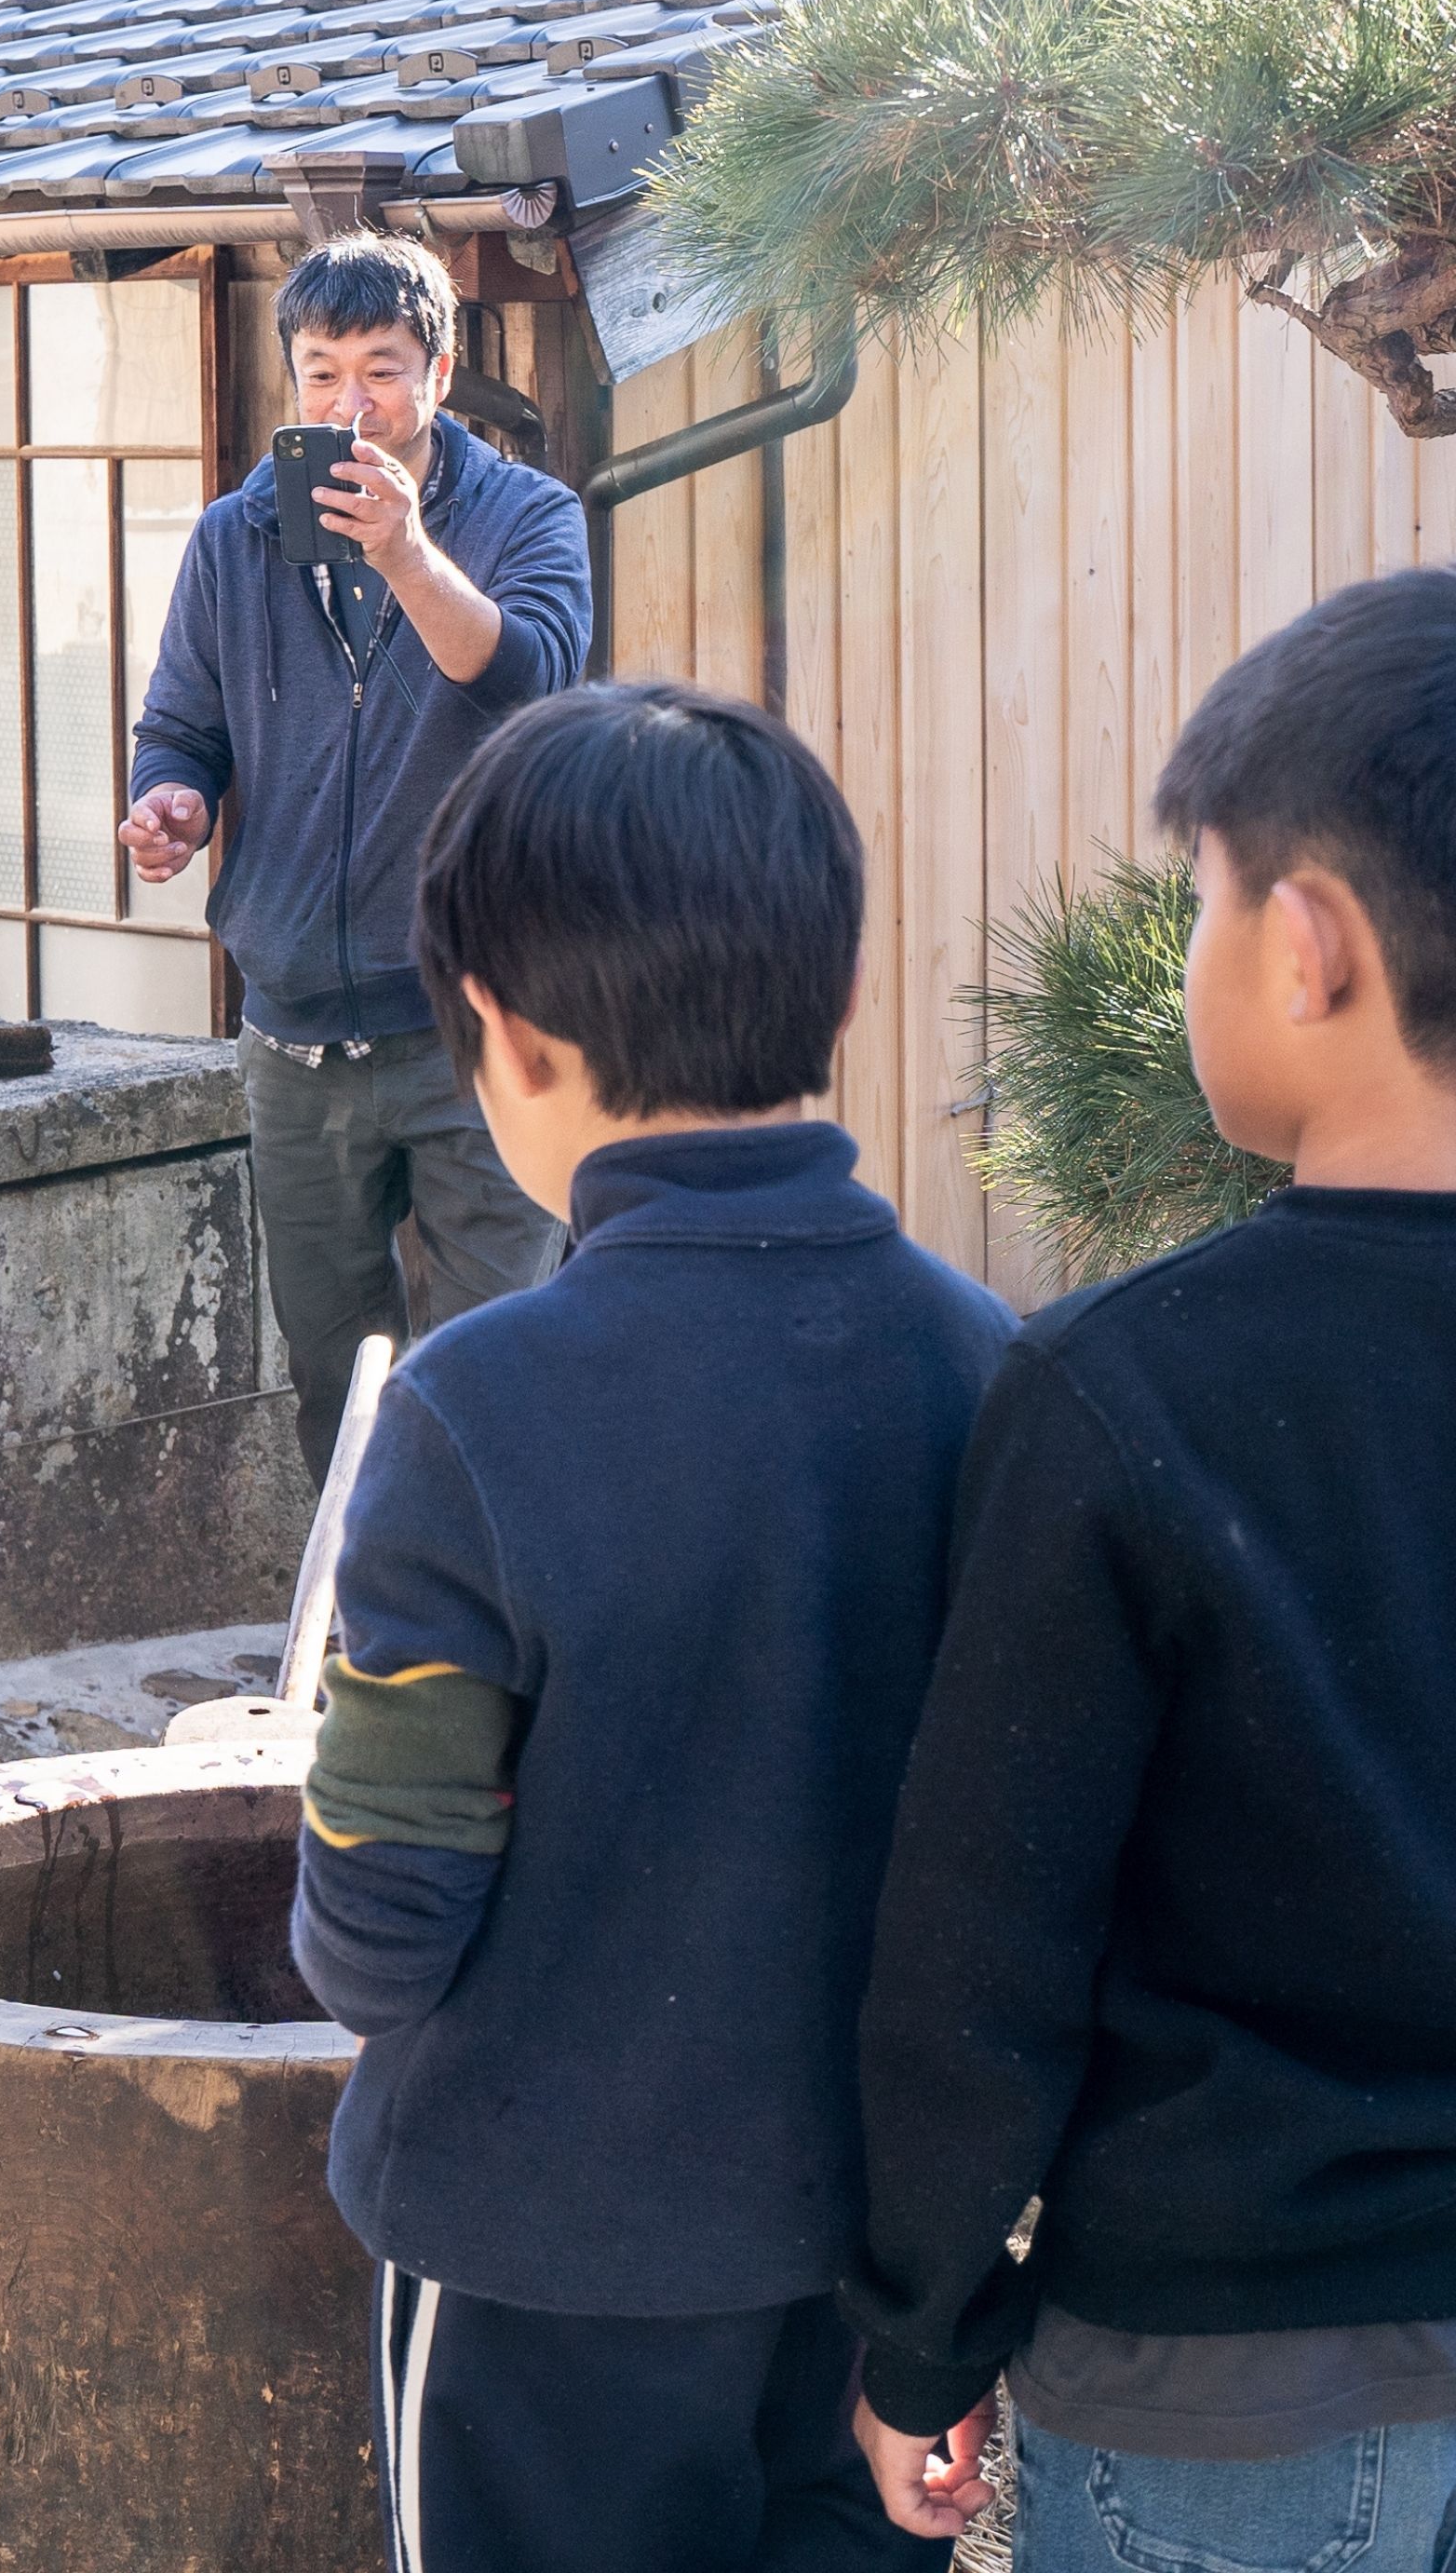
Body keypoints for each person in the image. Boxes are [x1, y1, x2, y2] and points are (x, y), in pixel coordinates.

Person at [846, 565, 1456, 2571]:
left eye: (1200, 899)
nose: (1192, 947)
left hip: (1225, 2374)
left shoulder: (1115, 1395)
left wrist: (921, 2322)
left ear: (1307, 946)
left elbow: (983, 1943)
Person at [284, 680, 1008, 2573]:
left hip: (531, 2254)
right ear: (840, 1002)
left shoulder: (475, 1411)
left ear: (506, 1039)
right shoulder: (989, 1368)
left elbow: (380, 1925)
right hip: (870, 2251)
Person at [120, 231, 593, 1479]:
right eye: (321, 375)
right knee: (334, 1377)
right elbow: (180, 725)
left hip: (482, 1029)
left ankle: (495, 1597)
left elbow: (532, 679)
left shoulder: (529, 516)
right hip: (294, 1035)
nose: (350, 407)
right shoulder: (235, 538)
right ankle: (358, 1594)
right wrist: (172, 800)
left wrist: (404, 551)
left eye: (381, 372)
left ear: (438, 371)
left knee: (497, 1369)